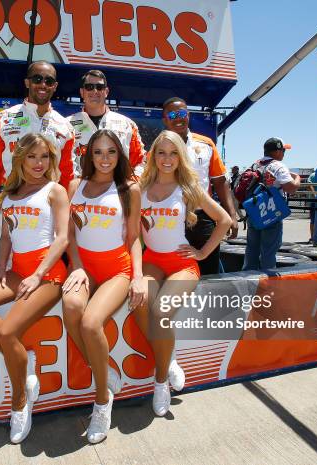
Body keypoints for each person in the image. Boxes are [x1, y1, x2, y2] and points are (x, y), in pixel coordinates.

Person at [0, 134, 70, 444]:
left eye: (45, 157)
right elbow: (7, 237)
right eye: (32, 157)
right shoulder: (8, 195)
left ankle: (20, 403)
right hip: (17, 269)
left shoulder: (56, 191)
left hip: (49, 272)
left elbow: (63, 238)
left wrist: (38, 274)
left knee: (7, 333)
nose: (39, 163)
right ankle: (24, 360)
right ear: (20, 160)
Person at [135, 130, 231, 416]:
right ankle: (170, 356)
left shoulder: (188, 188)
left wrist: (202, 253)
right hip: (151, 260)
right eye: (161, 153)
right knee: (140, 303)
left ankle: (161, 380)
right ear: (153, 156)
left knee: (161, 312)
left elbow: (224, 220)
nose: (167, 159)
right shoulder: (140, 189)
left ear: (181, 156)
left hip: (181, 264)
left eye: (173, 153)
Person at [61, 129, 145, 444]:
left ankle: (102, 400)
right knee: (71, 307)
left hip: (117, 269)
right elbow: (69, 234)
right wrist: (78, 266)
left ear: (119, 155)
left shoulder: (128, 189)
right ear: (89, 155)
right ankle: (104, 369)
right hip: (83, 267)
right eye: (99, 152)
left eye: (111, 152)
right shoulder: (74, 186)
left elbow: (134, 238)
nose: (105, 158)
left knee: (91, 321)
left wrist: (137, 275)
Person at [0, 60, 75, 234]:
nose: (43, 85)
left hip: (49, 207)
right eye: (37, 79)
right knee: (5, 260)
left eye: (49, 81)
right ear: (27, 82)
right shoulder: (4, 118)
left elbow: (67, 173)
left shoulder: (65, 126)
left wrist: (68, 208)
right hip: (9, 202)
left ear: (55, 86)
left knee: (45, 259)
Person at [162, 97, 238, 275]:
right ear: (165, 119)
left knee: (208, 272)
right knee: (174, 271)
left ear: (188, 115)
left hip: (203, 218)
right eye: (172, 114)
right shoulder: (158, 148)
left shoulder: (206, 144)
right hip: (170, 218)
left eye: (182, 113)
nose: (178, 118)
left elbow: (220, 181)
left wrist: (232, 214)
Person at [67, 69, 146, 177]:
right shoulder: (67, 124)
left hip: (117, 191)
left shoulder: (127, 124)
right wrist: (74, 188)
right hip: (80, 191)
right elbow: (61, 164)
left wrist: (130, 185)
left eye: (99, 87)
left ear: (106, 92)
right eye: (89, 87)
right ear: (82, 92)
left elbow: (140, 161)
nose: (95, 91)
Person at [243, 138, 301, 270]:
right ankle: (268, 283)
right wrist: (297, 178)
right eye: (283, 150)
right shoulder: (278, 166)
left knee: (252, 248)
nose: (284, 153)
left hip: (254, 211)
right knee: (268, 251)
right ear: (277, 151)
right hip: (271, 212)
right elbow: (290, 188)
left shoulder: (254, 165)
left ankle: (248, 280)